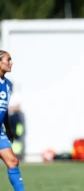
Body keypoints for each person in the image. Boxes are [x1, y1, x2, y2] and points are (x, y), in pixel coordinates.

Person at [0, 50, 25, 191]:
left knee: (13, 161)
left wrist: (8, 128)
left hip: (0, 132)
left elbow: (4, 109)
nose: (11, 63)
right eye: (8, 60)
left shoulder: (9, 85)